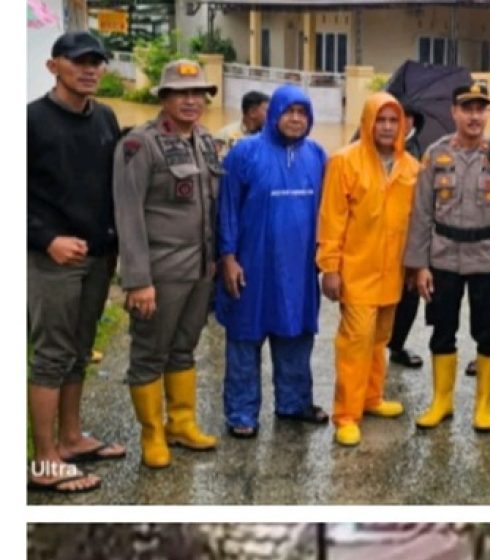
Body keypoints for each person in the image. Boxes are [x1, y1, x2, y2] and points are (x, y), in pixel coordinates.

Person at [28, 30, 125, 495]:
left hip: (99, 257)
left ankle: (70, 439)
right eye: (79, 61)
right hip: (52, 260)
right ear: (54, 66)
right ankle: (44, 461)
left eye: (97, 62)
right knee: (51, 356)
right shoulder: (29, 122)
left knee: (79, 353)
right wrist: (46, 239)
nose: (90, 69)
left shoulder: (105, 118)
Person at [113, 59, 221, 469]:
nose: (192, 101)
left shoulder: (206, 141)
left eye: (198, 94)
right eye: (182, 93)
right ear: (164, 97)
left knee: (184, 349)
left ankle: (181, 423)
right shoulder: (140, 145)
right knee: (148, 354)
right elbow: (128, 214)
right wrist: (138, 280)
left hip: (199, 270)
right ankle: (152, 434)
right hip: (159, 273)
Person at [404, 82, 490, 433]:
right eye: (466, 108)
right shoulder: (435, 155)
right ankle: (443, 401)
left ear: (488, 114)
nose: (473, 116)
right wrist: (419, 265)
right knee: (442, 329)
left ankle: (483, 404)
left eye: (480, 109)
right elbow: (422, 213)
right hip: (443, 258)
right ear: (454, 112)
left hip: (488, 259)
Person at [215, 84, 327, 439]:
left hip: (299, 267)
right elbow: (228, 209)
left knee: (296, 332)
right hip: (252, 264)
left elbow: (331, 212)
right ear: (274, 113)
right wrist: (228, 257)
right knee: (245, 338)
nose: (295, 119)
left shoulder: (317, 155)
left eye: (302, 113)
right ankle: (242, 412)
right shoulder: (245, 153)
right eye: (289, 111)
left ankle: (294, 403)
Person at [318, 92, 420, 446]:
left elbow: (416, 224)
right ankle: (346, 414)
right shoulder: (345, 162)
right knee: (355, 342)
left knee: (379, 339)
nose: (389, 127)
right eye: (382, 120)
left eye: (395, 120)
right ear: (368, 122)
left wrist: (414, 268)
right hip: (357, 272)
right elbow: (332, 219)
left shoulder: (411, 168)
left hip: (392, 274)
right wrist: (330, 267)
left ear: (404, 124)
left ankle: (372, 397)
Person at [386, 105, 430, 371]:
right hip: (377, 240)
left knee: (409, 296)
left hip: (410, 238)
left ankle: (397, 344)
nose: (398, 123)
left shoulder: (421, 151)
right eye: (389, 118)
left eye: (403, 117)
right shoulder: (365, 147)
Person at [214, 90, 269, 155]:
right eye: (267, 110)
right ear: (252, 112)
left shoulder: (269, 136)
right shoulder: (225, 135)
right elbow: (215, 161)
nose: (271, 114)